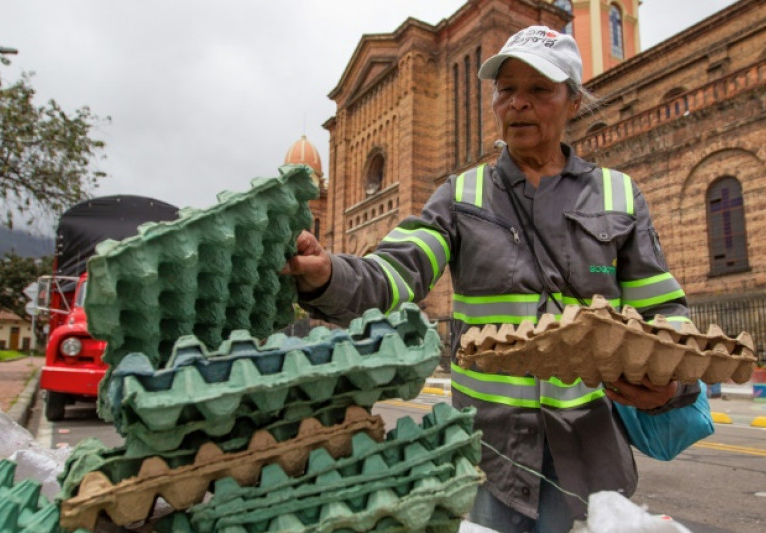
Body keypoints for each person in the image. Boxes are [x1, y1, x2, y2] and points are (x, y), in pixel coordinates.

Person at [283, 25, 700, 532]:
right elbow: (394, 273)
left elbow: (664, 316)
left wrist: (672, 384)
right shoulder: (461, 196)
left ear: (572, 102)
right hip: (493, 457)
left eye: (539, 89)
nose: (518, 103)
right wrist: (328, 275)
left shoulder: (618, 195)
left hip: (590, 455)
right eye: (506, 90)